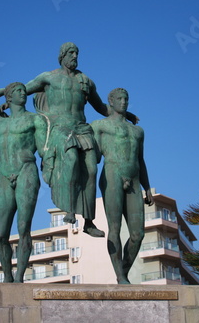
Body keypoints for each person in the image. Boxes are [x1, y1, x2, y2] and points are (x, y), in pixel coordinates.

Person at [23, 42, 138, 237]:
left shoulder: (85, 81)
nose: (75, 56)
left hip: (82, 128)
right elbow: (22, 90)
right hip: (60, 128)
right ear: (62, 56)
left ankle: (89, 222)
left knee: (92, 170)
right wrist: (5, 103)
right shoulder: (48, 78)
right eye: (71, 53)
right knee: (71, 161)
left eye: (77, 53)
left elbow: (101, 107)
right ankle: (69, 210)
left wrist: (126, 114)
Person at [0, 82, 47, 282]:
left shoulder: (35, 119)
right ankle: (7, 276)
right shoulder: (0, 120)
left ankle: (20, 278)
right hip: (3, 175)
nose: (23, 93)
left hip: (26, 170)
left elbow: (43, 150)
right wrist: (5, 89)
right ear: (9, 97)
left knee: (24, 227)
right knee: (0, 234)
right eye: (18, 91)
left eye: (24, 91)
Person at [91, 88, 154, 284]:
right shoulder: (100, 125)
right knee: (115, 228)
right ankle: (120, 275)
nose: (123, 102)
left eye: (126, 99)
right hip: (112, 174)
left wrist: (147, 187)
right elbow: (93, 157)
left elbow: (141, 160)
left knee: (138, 234)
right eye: (119, 98)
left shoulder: (137, 131)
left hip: (134, 178)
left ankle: (122, 272)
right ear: (110, 101)